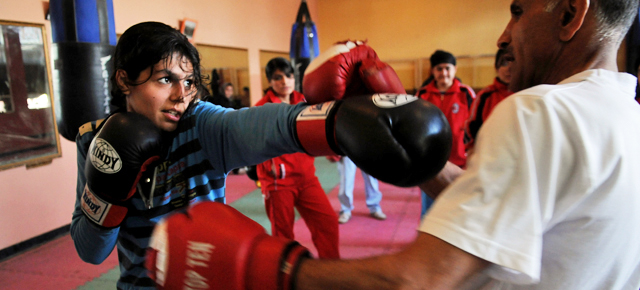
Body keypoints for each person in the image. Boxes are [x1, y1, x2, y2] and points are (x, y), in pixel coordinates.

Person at [147, 0, 640, 289]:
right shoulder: (625, 116)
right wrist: (398, 122)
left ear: (573, 12)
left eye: (517, 10)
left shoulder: (540, 112)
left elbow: (416, 280)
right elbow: (503, 213)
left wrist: (271, 266)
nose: (504, 33)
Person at [70, 22, 449, 290]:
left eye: (188, 81)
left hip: (211, 280)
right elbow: (91, 251)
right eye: (164, 79)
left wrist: (340, 121)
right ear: (124, 80)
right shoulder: (93, 140)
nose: (180, 96)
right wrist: (108, 192)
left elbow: (266, 126)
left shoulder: (199, 124)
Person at [254, 57, 340, 259]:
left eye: (289, 76)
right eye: (278, 77)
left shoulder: (305, 101)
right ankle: (285, 279)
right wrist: (270, 168)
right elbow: (254, 142)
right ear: (269, 81)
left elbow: (316, 129)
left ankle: (331, 269)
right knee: (283, 238)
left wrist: (329, 150)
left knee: (327, 222)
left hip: (307, 178)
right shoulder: (261, 108)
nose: (285, 81)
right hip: (279, 183)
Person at [416, 49, 476, 217]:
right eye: (439, 68)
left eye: (447, 68)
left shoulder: (466, 93)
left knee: (459, 210)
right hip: (431, 165)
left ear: (455, 70)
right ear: (433, 71)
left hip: (460, 164)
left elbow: (476, 127)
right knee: (429, 212)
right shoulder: (422, 94)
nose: (444, 73)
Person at [464, 48, 513, 153]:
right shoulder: (485, 96)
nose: (509, 68)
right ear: (496, 68)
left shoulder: (527, 94)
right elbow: (472, 127)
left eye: (513, 63)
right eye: (504, 63)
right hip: (489, 154)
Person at [330, 156, 386, 224]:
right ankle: (345, 210)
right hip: (346, 148)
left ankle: (375, 207)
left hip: (368, 147)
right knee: (346, 178)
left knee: (371, 178)